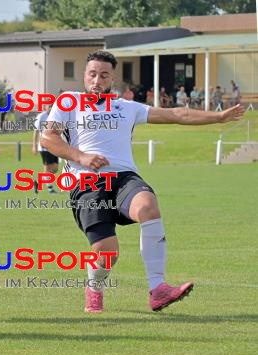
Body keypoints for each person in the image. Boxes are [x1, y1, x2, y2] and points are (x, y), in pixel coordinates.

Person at [42, 50, 245, 314]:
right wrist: (81, 156)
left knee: (148, 205)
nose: (97, 80)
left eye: (104, 75)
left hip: (124, 177)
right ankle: (94, 287)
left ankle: (158, 288)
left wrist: (218, 118)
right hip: (87, 182)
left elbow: (177, 115)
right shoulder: (68, 102)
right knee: (107, 252)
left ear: (112, 78)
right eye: (92, 74)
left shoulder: (126, 107)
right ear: (84, 76)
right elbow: (48, 139)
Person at [32, 104, 58, 194]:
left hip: (54, 146)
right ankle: (51, 189)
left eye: (52, 106)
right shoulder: (41, 116)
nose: (51, 108)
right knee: (48, 169)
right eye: (49, 106)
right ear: (45, 107)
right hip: (44, 147)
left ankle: (38, 182)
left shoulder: (56, 115)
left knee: (55, 169)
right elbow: (36, 131)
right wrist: (34, 145)